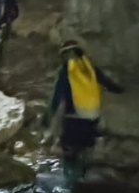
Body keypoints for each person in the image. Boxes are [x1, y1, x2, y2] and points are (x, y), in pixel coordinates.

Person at [41, 39, 124, 185]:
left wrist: (47, 116)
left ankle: (70, 183)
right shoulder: (89, 69)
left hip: (73, 119)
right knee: (85, 148)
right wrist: (119, 90)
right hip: (91, 118)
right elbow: (106, 81)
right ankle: (82, 176)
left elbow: (57, 96)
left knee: (69, 150)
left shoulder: (66, 72)